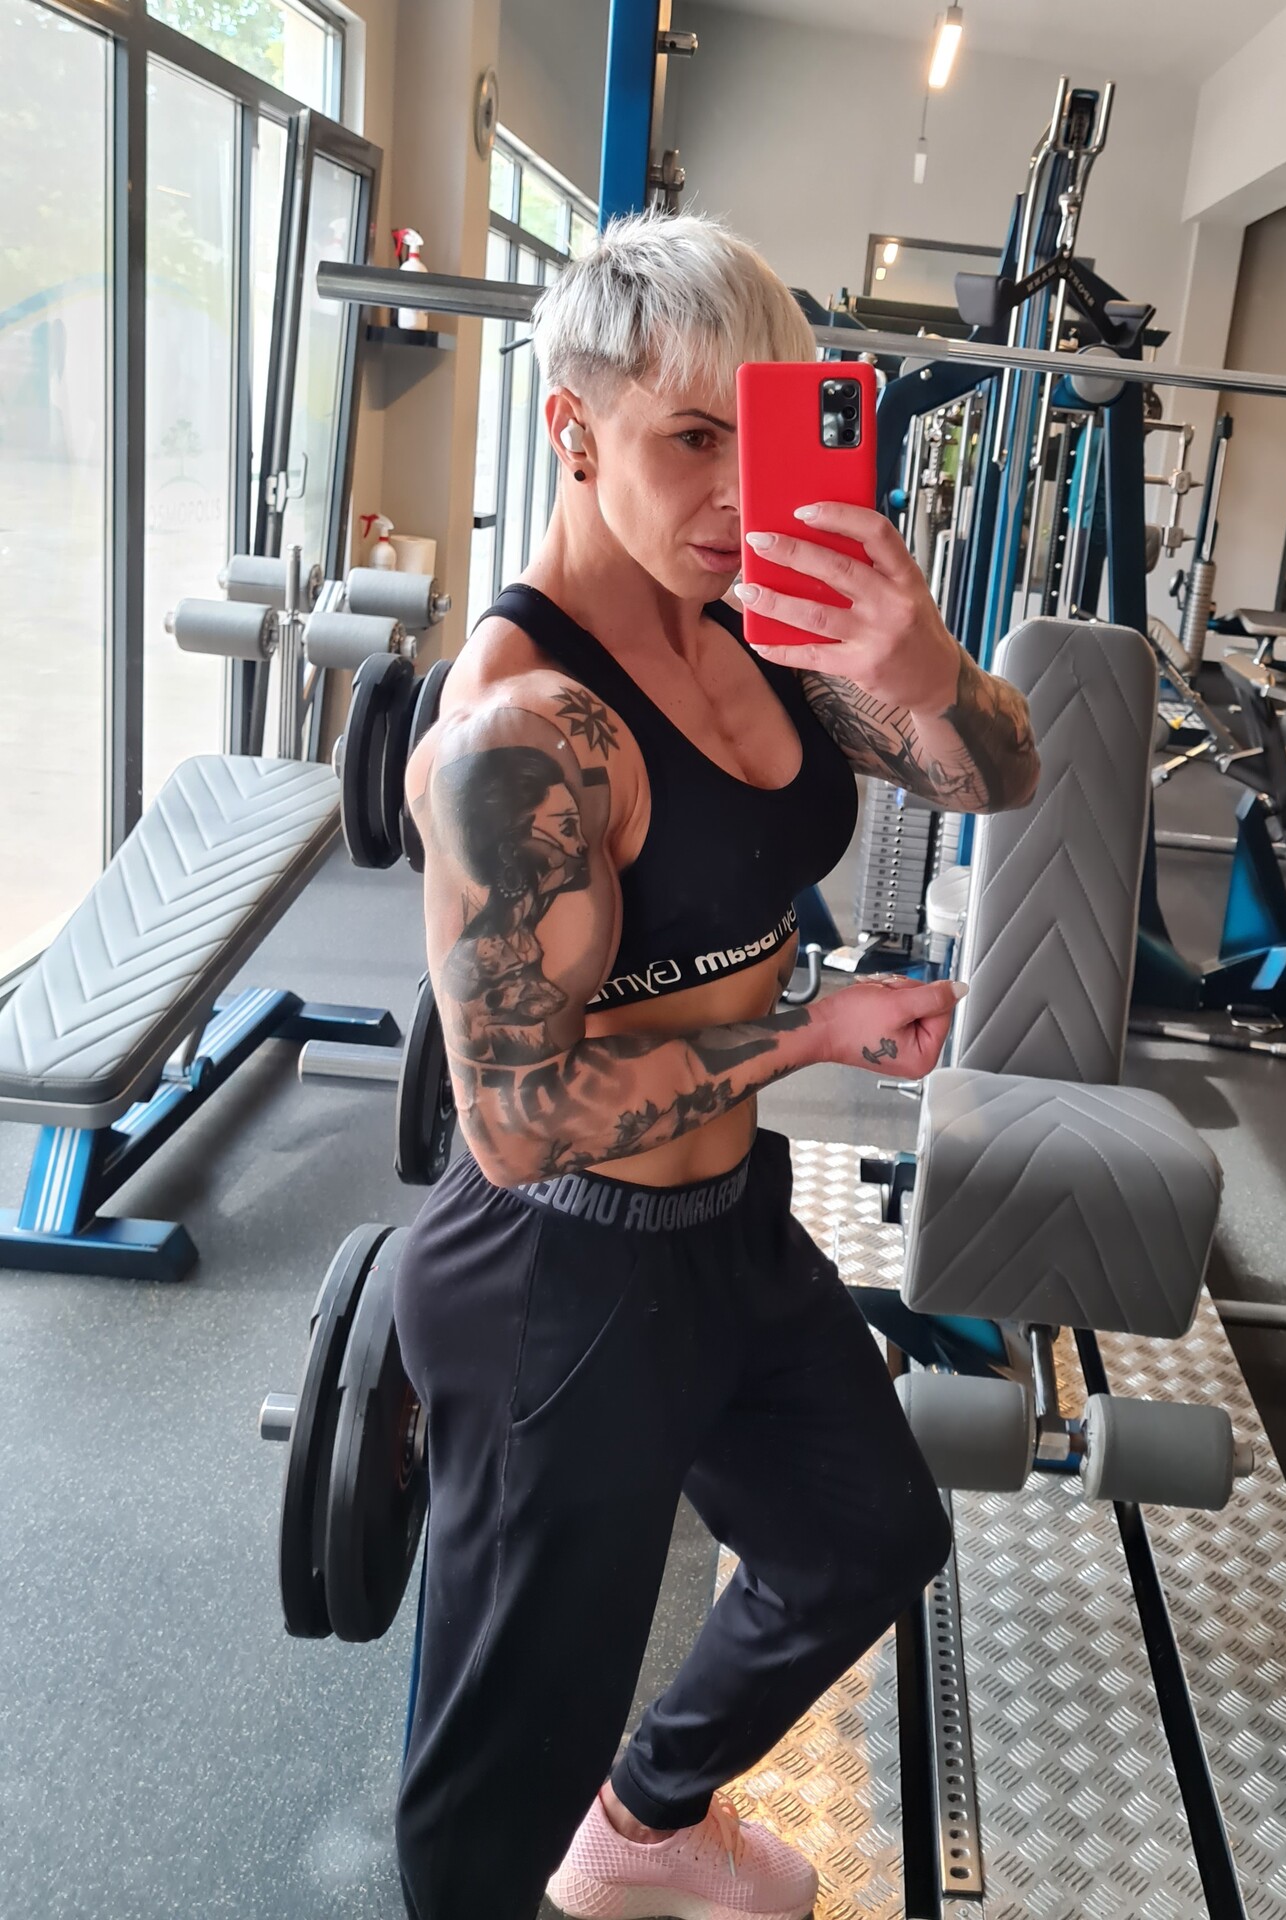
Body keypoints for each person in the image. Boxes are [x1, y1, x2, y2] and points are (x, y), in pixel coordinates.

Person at [393, 210, 1040, 1920]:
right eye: (691, 440)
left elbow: (1000, 776)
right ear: (573, 429)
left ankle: (646, 1822)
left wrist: (922, 666)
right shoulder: (525, 731)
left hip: (729, 1226)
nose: (740, 497)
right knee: (497, 1781)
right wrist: (813, 1031)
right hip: (557, 1276)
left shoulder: (755, 620)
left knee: (867, 1536)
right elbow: (518, 1123)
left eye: (754, 439)